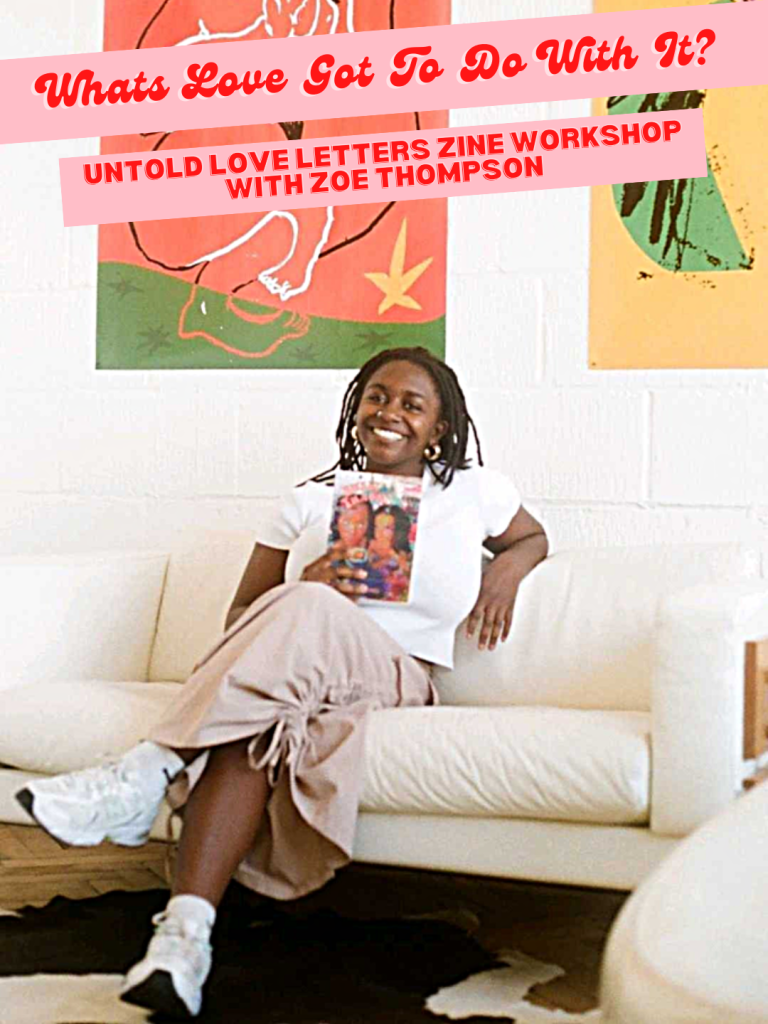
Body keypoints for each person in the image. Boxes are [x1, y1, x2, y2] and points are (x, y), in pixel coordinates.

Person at [14, 346, 549, 1019]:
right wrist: (310, 584)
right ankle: (181, 942)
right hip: (296, 680)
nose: (389, 413)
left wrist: (506, 571)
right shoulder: (309, 500)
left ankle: (148, 770)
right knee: (251, 729)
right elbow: (242, 616)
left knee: (303, 612)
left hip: (395, 675)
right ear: (356, 409)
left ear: (438, 428)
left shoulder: (474, 492)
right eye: (377, 397)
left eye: (412, 405)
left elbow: (532, 538)